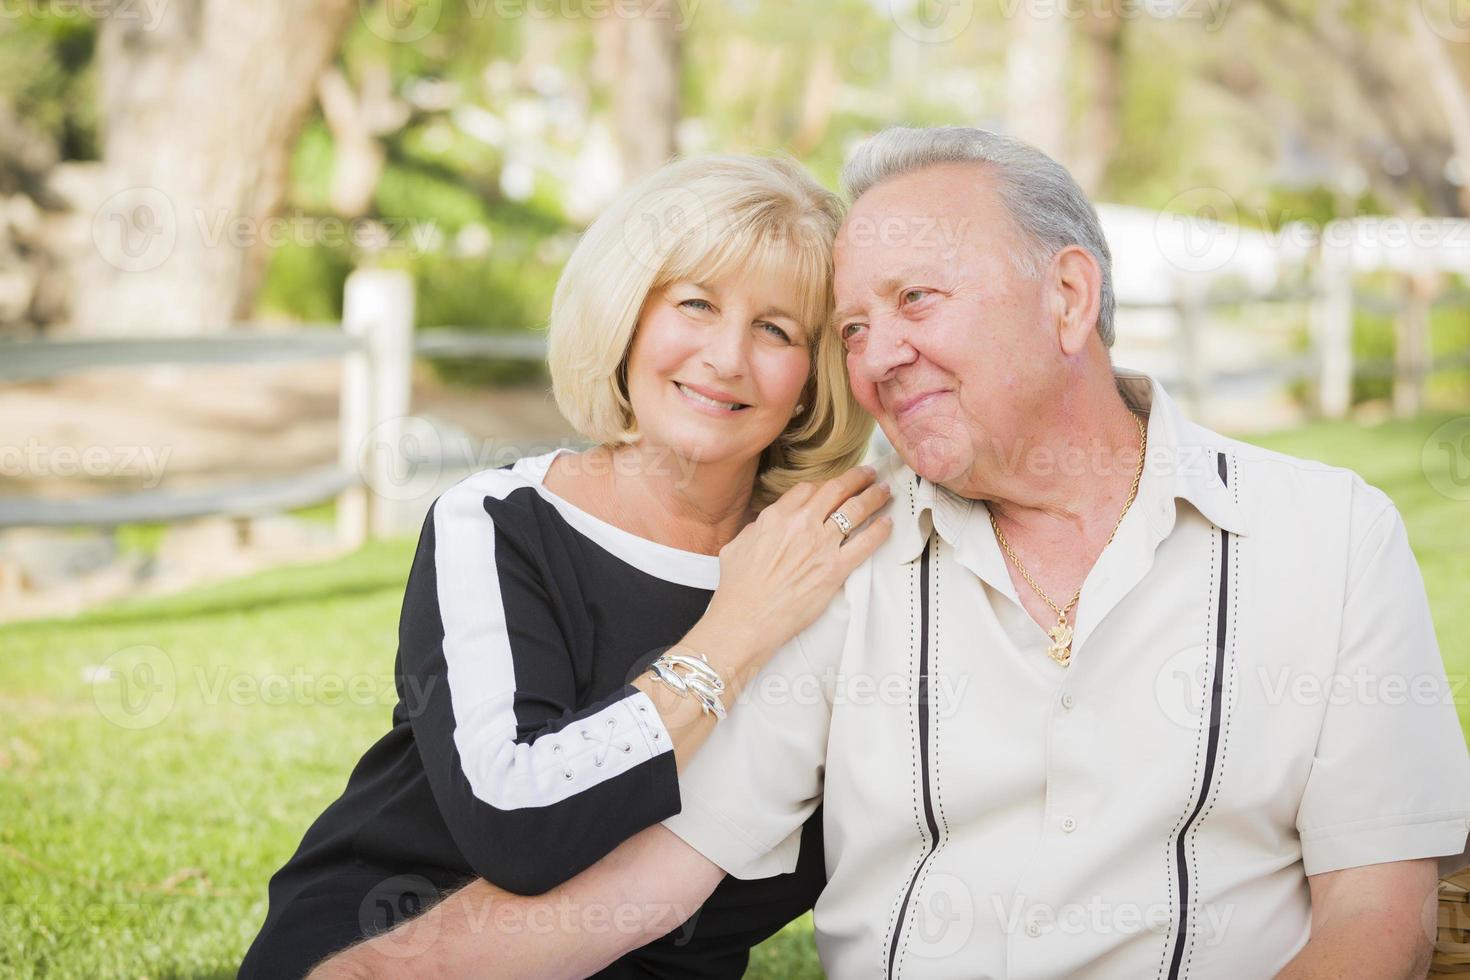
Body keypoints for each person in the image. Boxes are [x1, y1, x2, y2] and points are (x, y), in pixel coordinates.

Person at [313, 127, 1470, 980]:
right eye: (856, 327)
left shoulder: (1329, 535)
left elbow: (1377, 919)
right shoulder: (841, 555)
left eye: (916, 299)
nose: (878, 359)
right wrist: (366, 972)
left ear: (1069, 296)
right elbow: (644, 879)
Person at [237, 153, 893, 979]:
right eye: (695, 304)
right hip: (389, 939)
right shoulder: (499, 522)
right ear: (626, 321)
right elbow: (517, 823)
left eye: (776, 330)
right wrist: (735, 632)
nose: (728, 356)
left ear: (811, 378)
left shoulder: (828, 557)